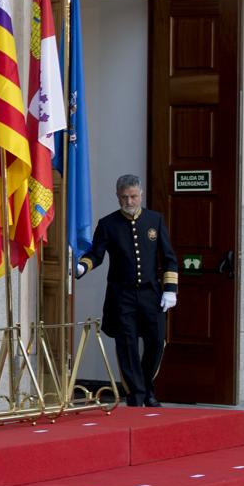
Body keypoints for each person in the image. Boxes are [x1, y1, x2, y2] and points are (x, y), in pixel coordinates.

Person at [75, 174, 178, 407]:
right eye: (124, 197)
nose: (129, 202)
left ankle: (146, 386)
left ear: (140, 195)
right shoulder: (108, 224)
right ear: (117, 197)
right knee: (127, 345)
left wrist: (170, 290)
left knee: (156, 341)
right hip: (122, 297)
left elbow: (169, 258)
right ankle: (138, 395)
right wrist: (82, 266)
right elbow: (96, 255)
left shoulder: (155, 220)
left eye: (133, 196)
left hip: (152, 295)